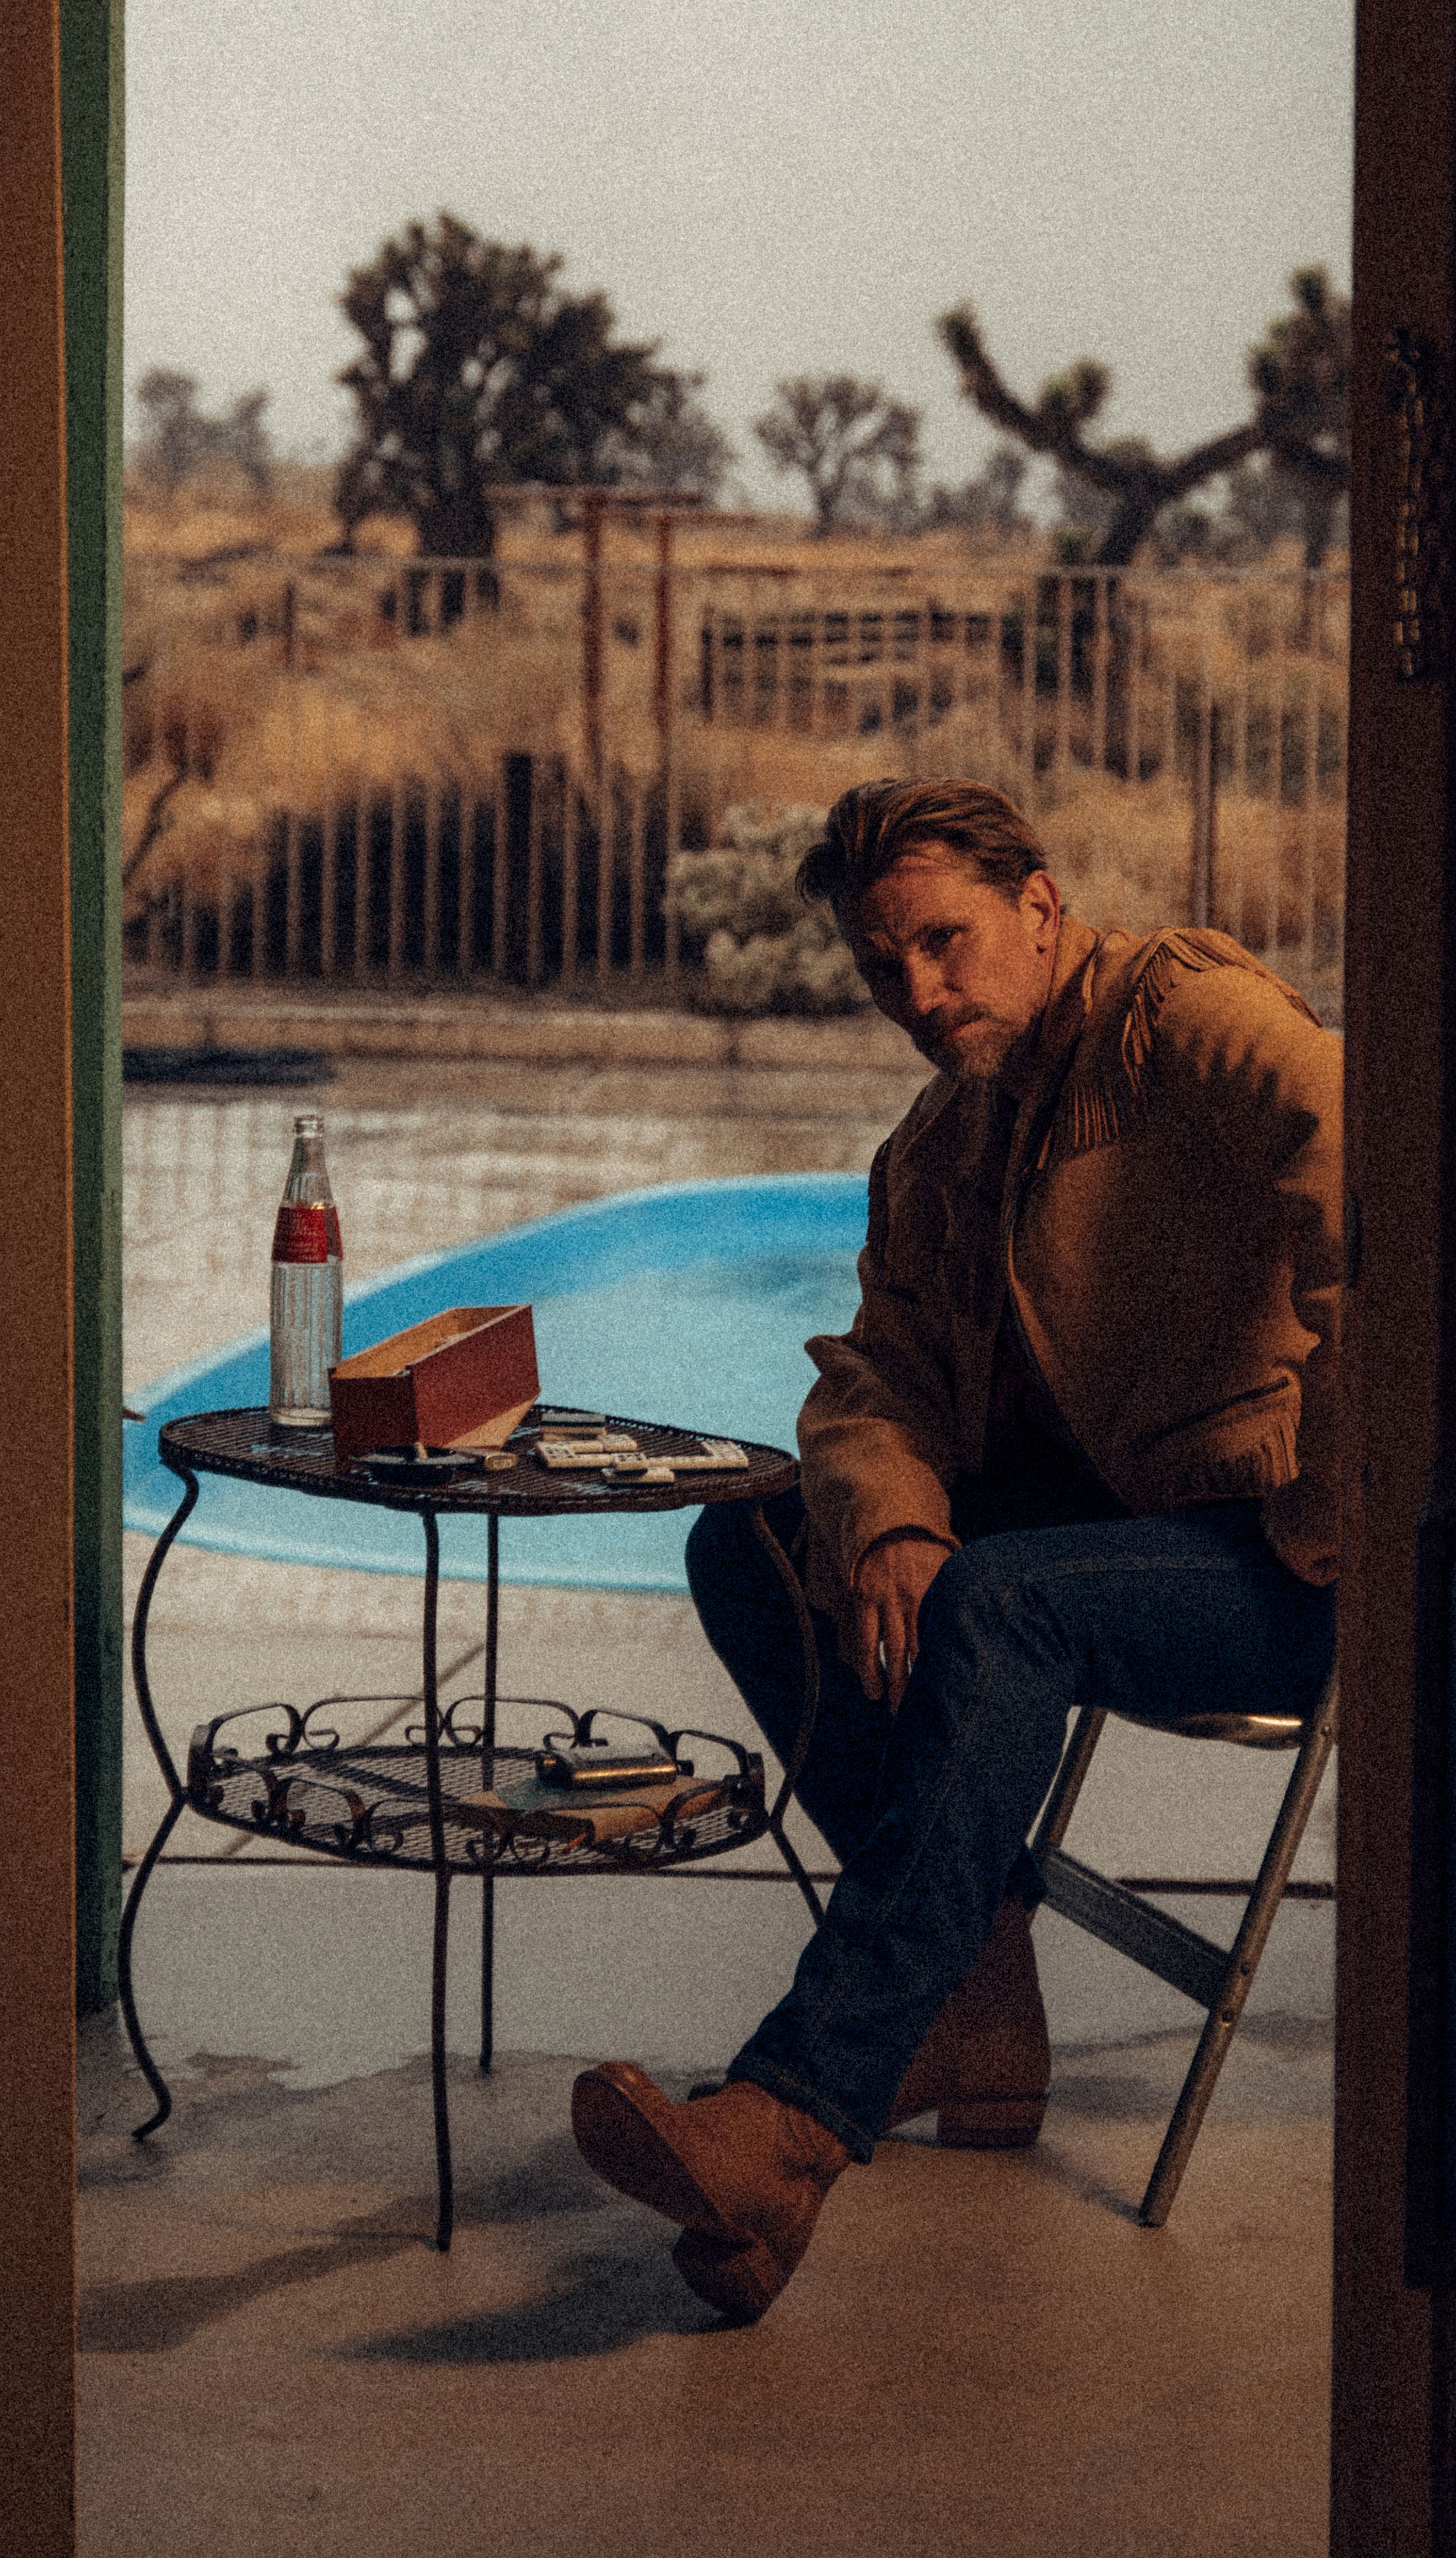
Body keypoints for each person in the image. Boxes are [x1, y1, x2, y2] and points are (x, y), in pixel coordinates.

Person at [568, 776, 1343, 2321]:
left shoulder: (1176, 1016)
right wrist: (891, 1526)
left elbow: (1380, 1170)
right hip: (1105, 1545)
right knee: (755, 1543)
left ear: (1041, 911)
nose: (920, 995)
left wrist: (1354, 1487)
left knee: (1002, 1604)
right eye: (884, 969)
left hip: (1283, 1555)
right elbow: (875, 1379)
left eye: (947, 943)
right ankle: (974, 2007)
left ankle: (794, 2117)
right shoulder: (941, 1142)